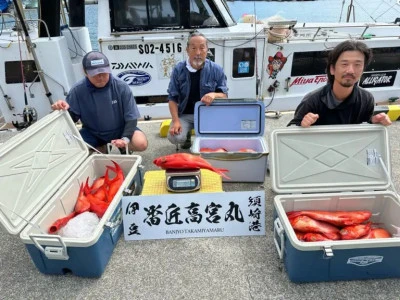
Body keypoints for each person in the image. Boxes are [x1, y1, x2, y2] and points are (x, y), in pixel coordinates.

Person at [51, 51, 148, 153]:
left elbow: (131, 117)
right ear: (85, 72)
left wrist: (125, 138)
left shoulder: (121, 86)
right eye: (95, 74)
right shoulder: (77, 90)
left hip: (121, 129)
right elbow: (71, 119)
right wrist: (61, 110)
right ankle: (101, 147)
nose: (100, 77)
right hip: (93, 133)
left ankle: (124, 147)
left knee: (140, 143)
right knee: (74, 150)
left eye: (103, 73)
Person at [288, 40, 391, 127]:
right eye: (344, 64)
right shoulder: (312, 101)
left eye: (357, 65)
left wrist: (375, 122)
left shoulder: (366, 99)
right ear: (332, 69)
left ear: (363, 69)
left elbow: (365, 129)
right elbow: (289, 133)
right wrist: (302, 125)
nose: (350, 70)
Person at [167, 32, 228, 149]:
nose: (198, 53)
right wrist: (175, 121)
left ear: (207, 50)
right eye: (193, 48)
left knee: (213, 142)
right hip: (184, 114)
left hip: (208, 114)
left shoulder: (217, 69)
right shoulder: (178, 69)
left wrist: (214, 94)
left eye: (201, 48)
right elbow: (172, 98)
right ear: (187, 50)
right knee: (175, 137)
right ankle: (187, 136)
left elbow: (224, 95)